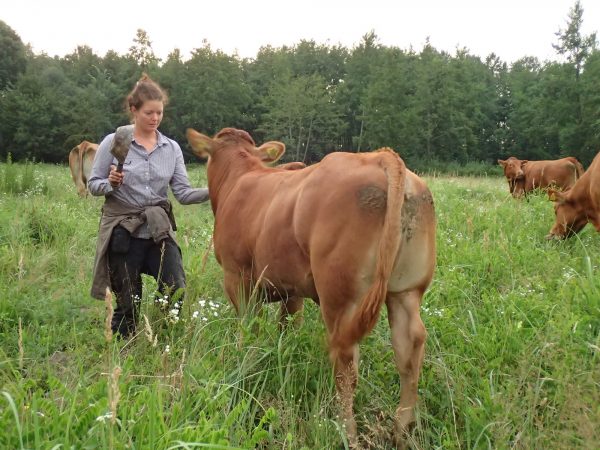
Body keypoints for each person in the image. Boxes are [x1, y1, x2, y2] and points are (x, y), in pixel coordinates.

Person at [88, 73, 209, 339]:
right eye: (148, 113)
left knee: (175, 289)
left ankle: (163, 343)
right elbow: (93, 185)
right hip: (123, 230)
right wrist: (110, 183)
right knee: (128, 304)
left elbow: (183, 193)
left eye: (159, 113)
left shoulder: (171, 148)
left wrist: (219, 190)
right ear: (134, 110)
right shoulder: (115, 142)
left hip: (157, 229)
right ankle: (123, 353)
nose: (155, 119)